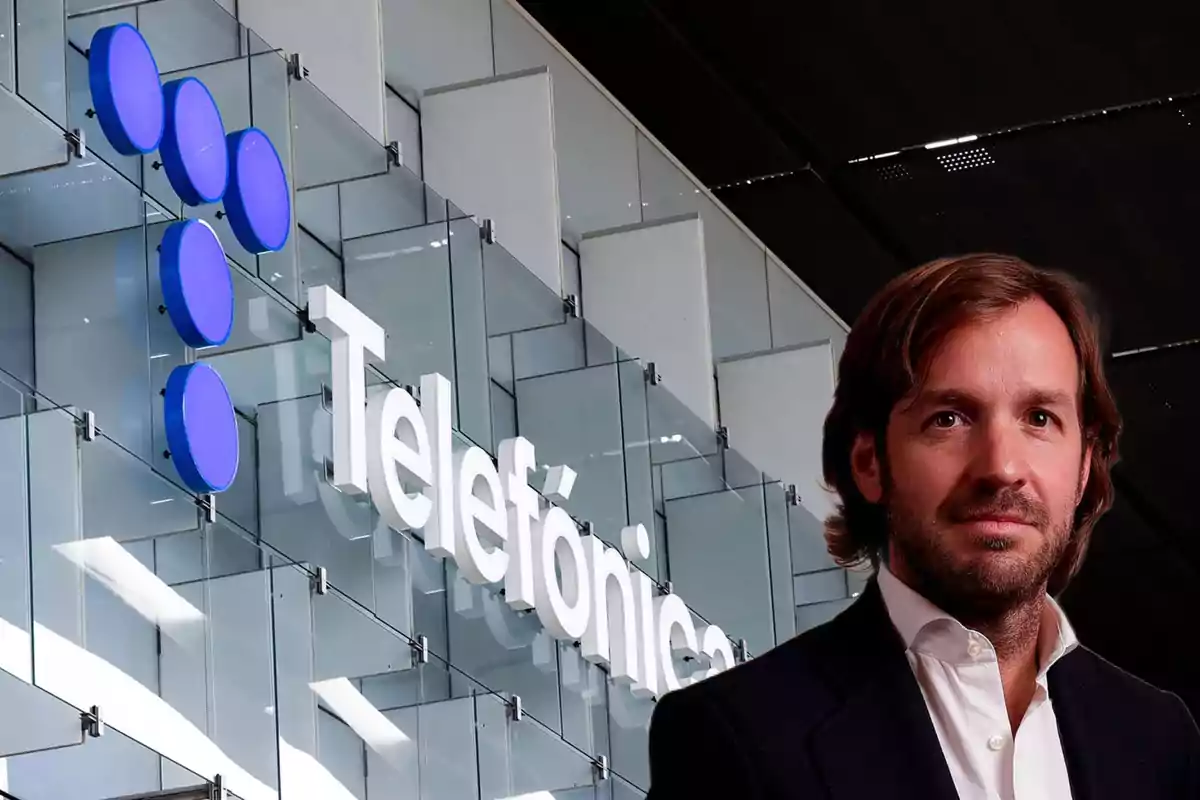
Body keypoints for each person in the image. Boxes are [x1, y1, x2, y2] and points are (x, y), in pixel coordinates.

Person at [646, 254, 1200, 799]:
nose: (1001, 467)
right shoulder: (738, 736)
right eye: (949, 418)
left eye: (1039, 418)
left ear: (1082, 469)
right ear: (869, 463)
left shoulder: (1159, 744)